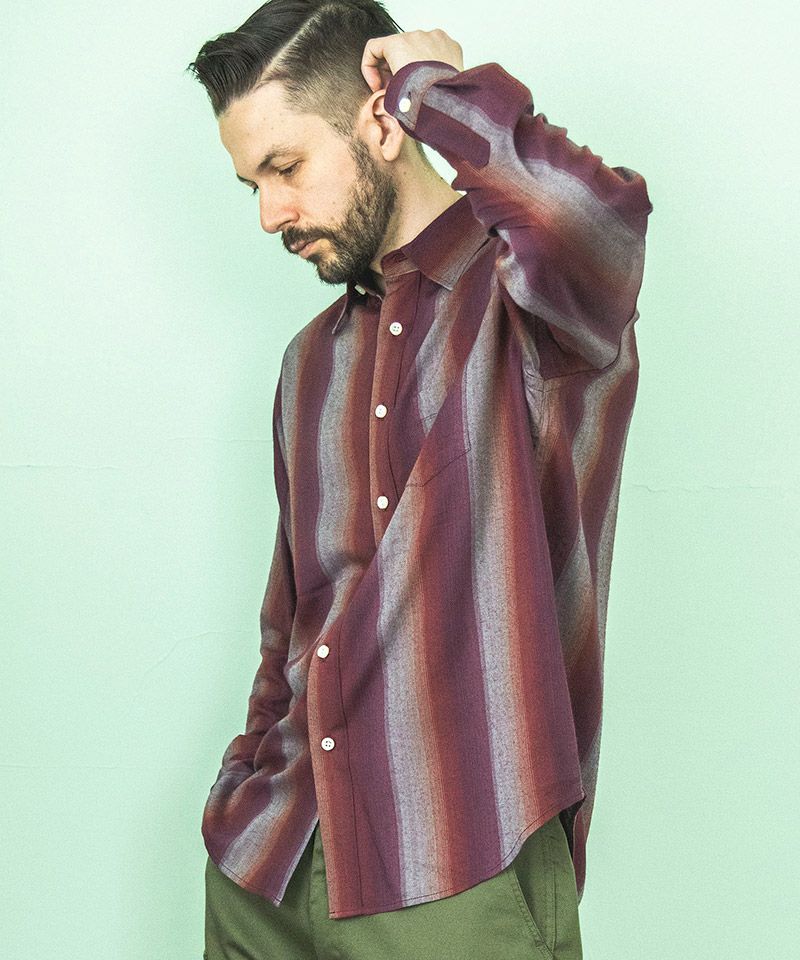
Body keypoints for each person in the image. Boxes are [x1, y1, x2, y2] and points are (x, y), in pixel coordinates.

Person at [186, 2, 652, 957]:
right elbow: (292, 620)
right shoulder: (309, 362)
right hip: (269, 864)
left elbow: (594, 219)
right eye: (251, 184)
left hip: (459, 865)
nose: (270, 215)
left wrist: (436, 89)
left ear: (381, 125)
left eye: (285, 168)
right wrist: (242, 792)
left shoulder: (539, 311)